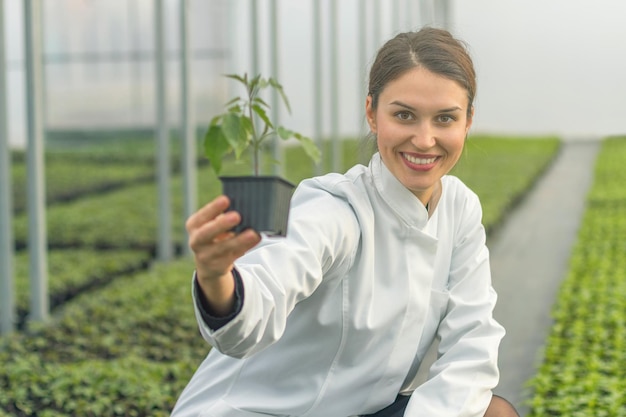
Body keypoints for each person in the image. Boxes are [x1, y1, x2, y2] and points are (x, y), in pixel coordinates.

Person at [171, 27, 520, 417]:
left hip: (355, 408)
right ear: (372, 113)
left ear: (468, 121)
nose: (424, 140)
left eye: (444, 119)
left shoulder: (459, 209)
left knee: (493, 413)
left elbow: (472, 348)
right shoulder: (336, 209)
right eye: (404, 115)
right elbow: (261, 298)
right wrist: (217, 277)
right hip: (261, 410)